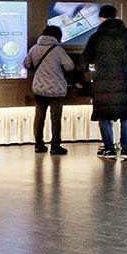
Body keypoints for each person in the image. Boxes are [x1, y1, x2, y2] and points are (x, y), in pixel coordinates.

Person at [81, 4, 127, 160]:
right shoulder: (126, 33)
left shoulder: (96, 37)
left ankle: (109, 149)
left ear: (101, 17)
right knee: (126, 115)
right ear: (115, 16)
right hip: (125, 82)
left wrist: (84, 78)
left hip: (103, 84)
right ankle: (126, 150)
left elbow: (86, 58)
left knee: (104, 116)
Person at [25, 24, 77, 155]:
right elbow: (70, 66)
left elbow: (26, 64)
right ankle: (55, 146)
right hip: (56, 90)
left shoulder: (34, 49)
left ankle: (38, 144)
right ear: (57, 36)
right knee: (55, 118)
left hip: (39, 89)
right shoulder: (58, 50)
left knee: (39, 116)